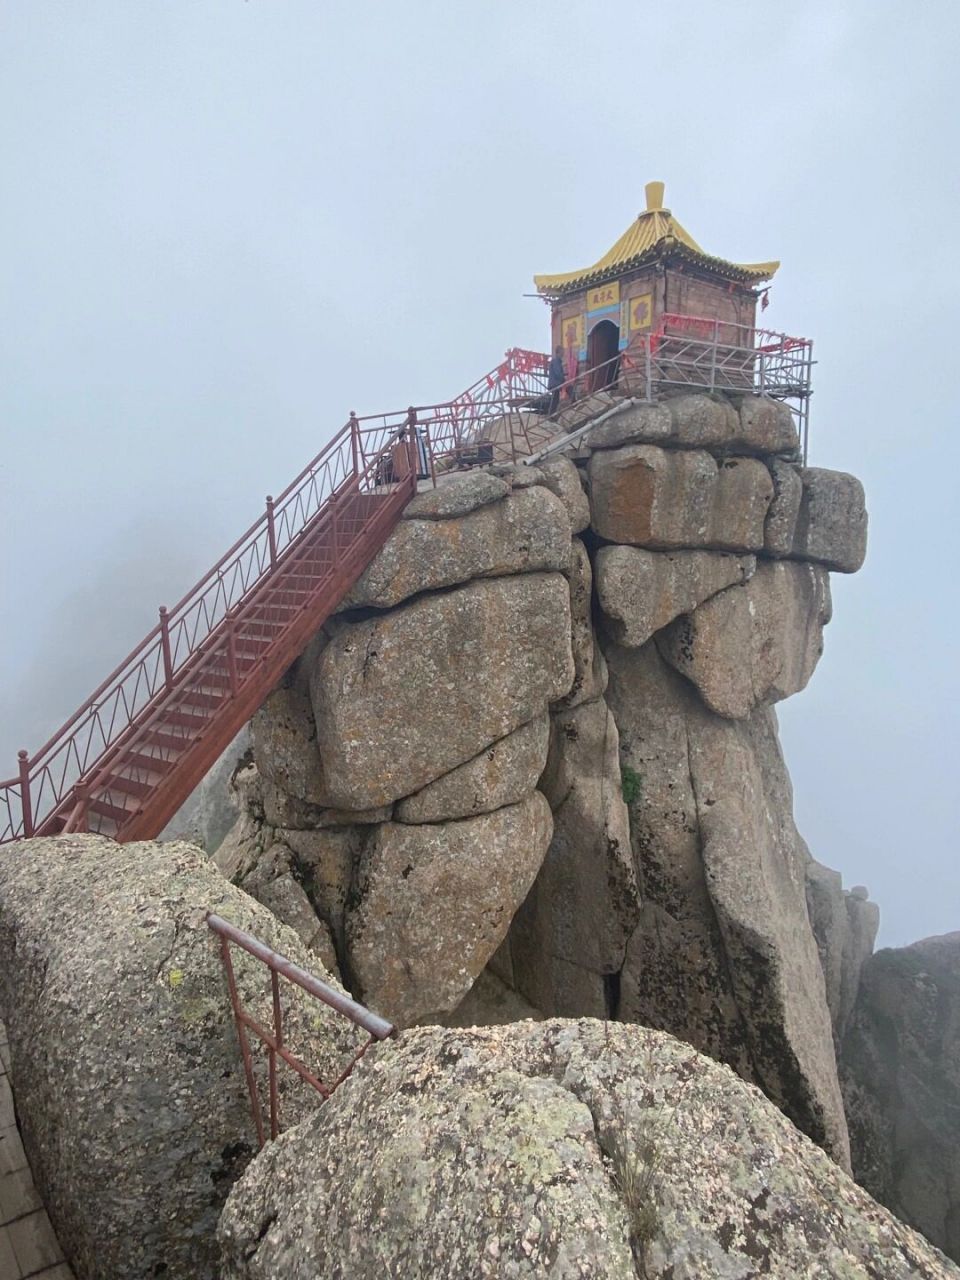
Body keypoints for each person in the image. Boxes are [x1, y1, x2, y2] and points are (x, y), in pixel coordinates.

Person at [547, 345, 565, 417]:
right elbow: (558, 373)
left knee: (555, 399)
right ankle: (551, 414)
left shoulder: (556, 361)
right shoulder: (556, 361)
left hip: (554, 383)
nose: (563, 353)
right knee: (555, 399)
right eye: (562, 351)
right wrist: (563, 379)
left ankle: (551, 414)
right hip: (555, 383)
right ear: (559, 352)